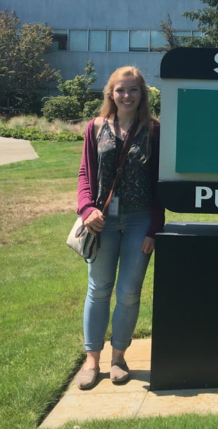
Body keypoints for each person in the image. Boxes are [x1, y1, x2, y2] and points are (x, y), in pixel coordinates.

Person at [74, 66, 164, 390]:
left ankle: (118, 358)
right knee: (98, 289)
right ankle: (92, 360)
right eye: (120, 90)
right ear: (110, 93)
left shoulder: (154, 131)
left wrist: (154, 227)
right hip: (102, 220)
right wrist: (86, 210)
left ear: (142, 94)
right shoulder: (96, 128)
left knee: (128, 292)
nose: (126, 96)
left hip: (140, 219)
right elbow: (85, 175)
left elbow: (159, 184)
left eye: (133, 90)